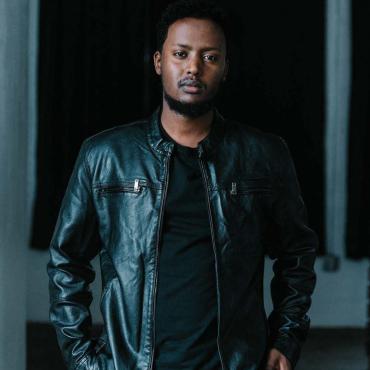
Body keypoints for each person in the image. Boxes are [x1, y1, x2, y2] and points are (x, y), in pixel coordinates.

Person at [47, 1, 318, 369]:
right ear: (159, 62)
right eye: (181, 54)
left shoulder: (263, 154)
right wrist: (82, 358)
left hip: (234, 363)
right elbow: (67, 260)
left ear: (225, 69)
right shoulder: (105, 155)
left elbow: (296, 253)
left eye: (210, 57)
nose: (193, 67)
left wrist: (286, 339)